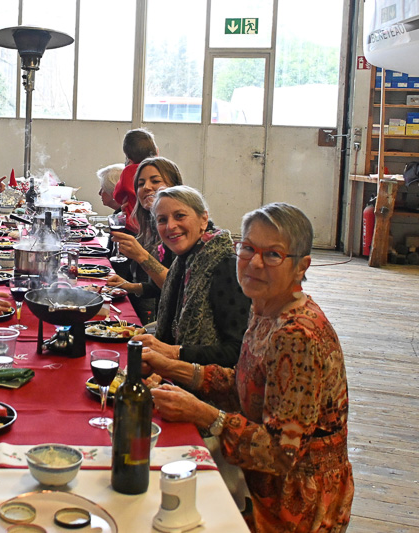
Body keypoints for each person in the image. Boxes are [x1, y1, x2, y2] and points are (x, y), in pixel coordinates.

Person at [148, 203, 354, 532]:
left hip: (294, 502)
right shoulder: (266, 308)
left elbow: (280, 453)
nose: (254, 263)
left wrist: (204, 414)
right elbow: (248, 384)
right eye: (247, 248)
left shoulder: (296, 336)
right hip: (258, 480)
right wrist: (172, 366)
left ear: (301, 266)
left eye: (273, 254)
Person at [135, 185, 249, 367]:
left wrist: (175, 352)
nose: (170, 226)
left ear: (203, 219)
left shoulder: (225, 265)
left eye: (180, 216)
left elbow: (238, 350)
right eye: (162, 220)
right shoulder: (183, 261)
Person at [106, 157, 183, 323]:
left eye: (155, 181)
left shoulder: (179, 228)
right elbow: (157, 285)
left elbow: (177, 286)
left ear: (174, 186)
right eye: (141, 184)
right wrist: (128, 286)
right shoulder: (149, 226)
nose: (146, 187)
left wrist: (141, 255)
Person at [112, 128, 158, 233]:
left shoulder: (128, 171)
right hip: (152, 223)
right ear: (156, 151)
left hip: (131, 222)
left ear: (128, 157)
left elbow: (117, 195)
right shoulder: (158, 168)